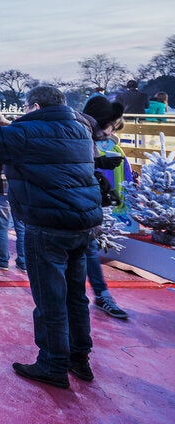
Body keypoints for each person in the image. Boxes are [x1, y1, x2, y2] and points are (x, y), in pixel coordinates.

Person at [0, 85, 102, 389]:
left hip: (48, 225)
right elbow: (44, 140)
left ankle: (53, 363)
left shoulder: (27, 134)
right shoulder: (80, 130)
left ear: (35, 107)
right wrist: (8, 124)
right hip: (82, 225)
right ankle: (79, 357)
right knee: (75, 296)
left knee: (50, 298)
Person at [78, 97, 131, 320]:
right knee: (79, 253)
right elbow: (74, 166)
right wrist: (99, 164)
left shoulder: (87, 137)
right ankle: (82, 299)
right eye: (111, 126)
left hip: (83, 207)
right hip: (71, 208)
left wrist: (102, 178)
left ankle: (100, 294)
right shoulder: (79, 135)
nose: (111, 133)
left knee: (89, 249)